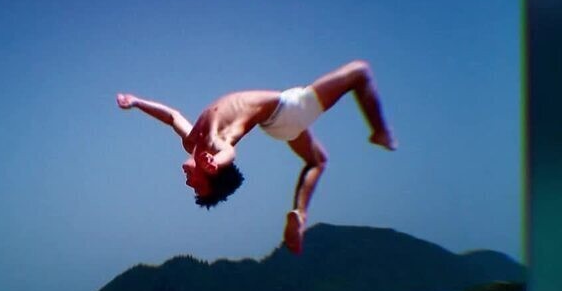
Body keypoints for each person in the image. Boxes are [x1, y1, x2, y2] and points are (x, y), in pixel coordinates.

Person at [116, 60, 396, 254]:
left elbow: (171, 116)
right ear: (210, 171)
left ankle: (300, 213)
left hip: (275, 125)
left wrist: (138, 103)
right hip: (289, 110)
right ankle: (381, 133)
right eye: (196, 185)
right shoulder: (214, 143)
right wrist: (217, 162)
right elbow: (229, 152)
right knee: (360, 72)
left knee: (317, 161)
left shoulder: (192, 141)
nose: (188, 182)